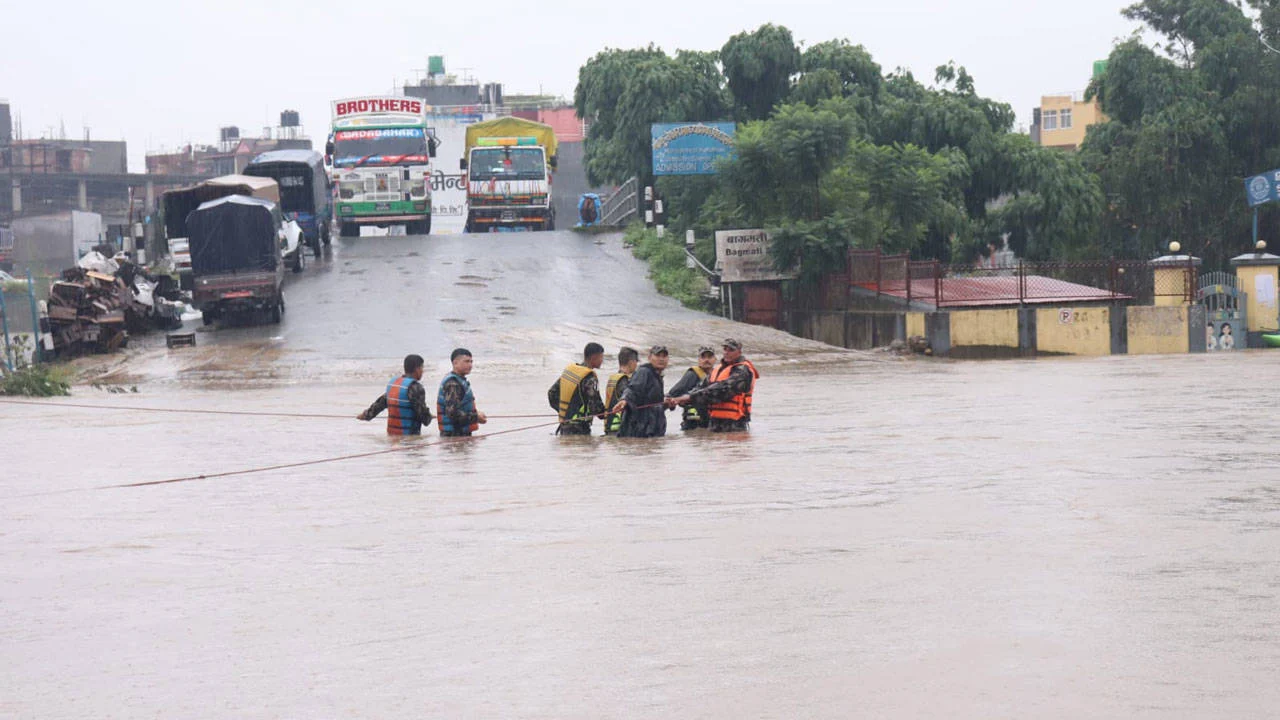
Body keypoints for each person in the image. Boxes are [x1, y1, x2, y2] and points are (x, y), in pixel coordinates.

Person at [678, 338, 759, 433]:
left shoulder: (743, 370)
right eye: (725, 349)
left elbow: (723, 390)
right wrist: (681, 399)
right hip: (714, 424)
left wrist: (690, 397)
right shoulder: (718, 369)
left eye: (731, 350)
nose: (726, 352)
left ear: (739, 352)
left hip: (735, 425)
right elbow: (701, 387)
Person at [357, 354, 434, 435]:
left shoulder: (394, 384)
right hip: (409, 439)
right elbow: (425, 419)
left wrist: (365, 415)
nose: (423, 371)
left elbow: (380, 404)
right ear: (417, 369)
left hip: (391, 436)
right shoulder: (415, 387)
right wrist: (429, 417)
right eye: (422, 368)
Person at [611, 345, 678, 438]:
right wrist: (624, 400)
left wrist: (667, 404)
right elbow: (633, 389)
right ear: (650, 358)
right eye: (658, 356)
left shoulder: (657, 376)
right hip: (638, 433)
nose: (661, 359)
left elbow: (651, 403)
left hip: (651, 432)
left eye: (664, 356)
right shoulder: (644, 372)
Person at [547, 342, 606, 435]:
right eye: (601, 357)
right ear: (594, 357)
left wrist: (565, 411)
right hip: (580, 428)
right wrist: (606, 414)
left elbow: (552, 393)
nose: (602, 360)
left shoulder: (571, 371)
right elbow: (595, 405)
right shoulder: (589, 377)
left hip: (564, 426)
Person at [437, 348, 487, 437]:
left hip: (458, 435)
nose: (470, 365)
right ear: (455, 363)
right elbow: (453, 413)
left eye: (471, 362)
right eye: (467, 361)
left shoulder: (459, 380)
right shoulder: (453, 384)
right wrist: (476, 417)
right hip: (453, 436)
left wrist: (476, 414)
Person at [666, 346, 716, 431]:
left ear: (715, 359)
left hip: (709, 418)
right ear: (699, 359)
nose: (706, 360)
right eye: (703, 357)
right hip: (693, 419)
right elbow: (674, 393)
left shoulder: (717, 374)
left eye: (709, 357)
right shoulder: (692, 374)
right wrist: (669, 403)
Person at [603, 347, 639, 435]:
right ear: (631, 362)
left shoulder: (614, 377)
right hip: (619, 430)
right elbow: (632, 400)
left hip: (610, 426)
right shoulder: (624, 381)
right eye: (636, 362)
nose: (636, 365)